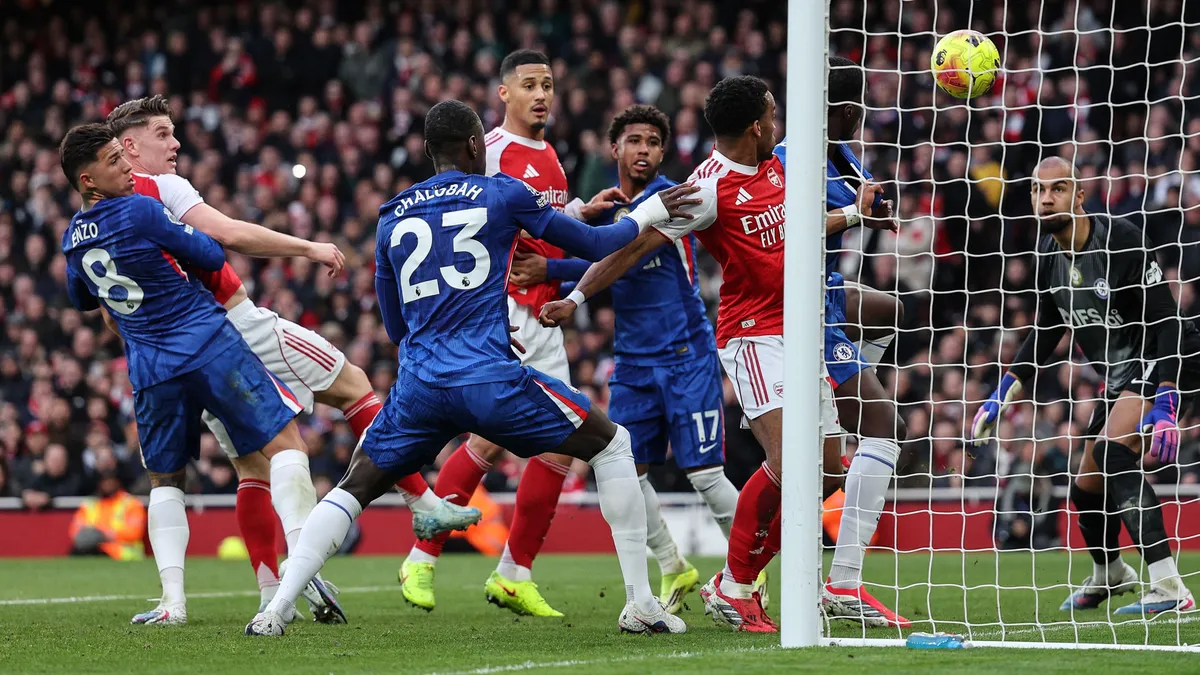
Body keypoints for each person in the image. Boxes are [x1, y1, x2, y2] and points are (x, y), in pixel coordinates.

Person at [244, 99, 700, 637]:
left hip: (420, 386)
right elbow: (600, 242)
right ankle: (641, 604)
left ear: (428, 151)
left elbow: (396, 326)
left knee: (353, 486)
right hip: (488, 379)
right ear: (476, 146)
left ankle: (273, 612)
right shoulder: (502, 192)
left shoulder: (393, 213)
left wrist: (460, 327)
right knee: (612, 443)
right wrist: (650, 212)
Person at [541, 72, 909, 631]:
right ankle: (736, 587)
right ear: (758, 126)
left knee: (822, 470)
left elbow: (803, 228)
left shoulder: (780, 166)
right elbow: (633, 247)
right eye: (773, 117)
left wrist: (857, 213)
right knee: (791, 465)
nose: (779, 126)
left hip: (804, 329)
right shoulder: (707, 188)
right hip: (755, 335)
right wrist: (575, 295)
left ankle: (733, 583)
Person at [106, 96, 478, 620]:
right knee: (350, 386)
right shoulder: (161, 189)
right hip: (234, 324)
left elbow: (110, 310)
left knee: (249, 465)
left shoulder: (101, 217)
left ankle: (266, 587)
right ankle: (422, 505)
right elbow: (230, 233)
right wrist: (308, 248)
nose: (176, 143)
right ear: (129, 146)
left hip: (172, 352)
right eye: (163, 134)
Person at [398, 50, 628, 617]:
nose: (541, 94)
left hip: (543, 312)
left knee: (559, 448)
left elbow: (537, 225)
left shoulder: (549, 155)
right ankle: (422, 557)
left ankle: (514, 572)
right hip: (504, 313)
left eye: (548, 84)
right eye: (529, 85)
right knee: (488, 439)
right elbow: (474, 233)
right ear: (504, 95)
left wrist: (579, 211)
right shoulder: (491, 154)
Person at [58, 122, 316, 626]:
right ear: (88, 180)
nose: (128, 167)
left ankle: (172, 603)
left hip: (150, 367)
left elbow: (80, 298)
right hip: (205, 342)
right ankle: (300, 577)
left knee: (164, 479)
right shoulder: (140, 208)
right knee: (287, 444)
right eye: (114, 162)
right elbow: (212, 254)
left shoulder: (71, 236)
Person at [509, 104, 747, 615]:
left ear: (663, 151)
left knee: (704, 475)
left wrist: (550, 267)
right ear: (614, 148)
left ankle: (751, 576)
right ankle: (673, 565)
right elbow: (598, 248)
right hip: (635, 361)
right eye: (634, 140)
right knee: (626, 472)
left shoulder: (675, 198)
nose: (644, 150)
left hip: (685, 353)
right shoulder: (611, 207)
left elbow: (623, 255)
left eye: (653, 142)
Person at [972, 156, 1197, 615]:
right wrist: (1004, 391)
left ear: (1078, 194)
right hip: (1118, 378)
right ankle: (1109, 573)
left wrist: (1168, 397)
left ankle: (1170, 586)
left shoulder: (1121, 239)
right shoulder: (1048, 256)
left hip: (1168, 355)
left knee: (1115, 456)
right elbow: (1047, 330)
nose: (1046, 198)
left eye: (1057, 188)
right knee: (1085, 488)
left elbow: (1168, 320)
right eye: (1038, 190)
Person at [773, 55, 911, 628]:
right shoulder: (788, 158)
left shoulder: (844, 155)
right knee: (884, 426)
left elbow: (855, 205)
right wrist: (854, 213)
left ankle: (839, 404)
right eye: (857, 109)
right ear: (846, 109)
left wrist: (872, 208)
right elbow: (794, 223)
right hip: (801, 306)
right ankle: (846, 584)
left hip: (830, 295)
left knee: (889, 311)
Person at [68, 465, 146, 560]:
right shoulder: (90, 503)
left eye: (110, 480)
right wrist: (91, 535)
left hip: (122, 555)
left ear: (118, 482)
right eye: (104, 481)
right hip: (94, 549)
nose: (107, 484)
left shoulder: (131, 503)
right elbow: (75, 530)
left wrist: (106, 535)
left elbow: (135, 532)